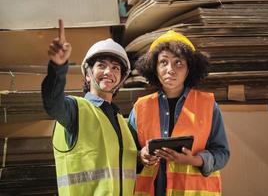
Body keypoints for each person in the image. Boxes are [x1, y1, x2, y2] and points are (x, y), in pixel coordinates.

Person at [128, 30, 230, 196]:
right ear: (154, 68)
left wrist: (195, 160)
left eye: (178, 63)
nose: (171, 70)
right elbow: (128, 154)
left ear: (189, 69)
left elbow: (222, 153)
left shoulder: (208, 105)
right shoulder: (140, 107)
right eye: (163, 62)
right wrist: (141, 156)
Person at [42, 19, 137, 196]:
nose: (109, 72)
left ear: (121, 79)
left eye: (115, 68)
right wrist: (57, 67)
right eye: (101, 65)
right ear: (87, 75)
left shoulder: (121, 122)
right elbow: (52, 103)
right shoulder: (75, 110)